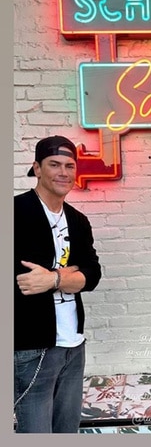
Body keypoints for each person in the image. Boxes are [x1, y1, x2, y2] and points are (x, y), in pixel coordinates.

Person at [14, 136, 102, 433]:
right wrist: (70, 275)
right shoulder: (15, 212)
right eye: (54, 165)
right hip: (31, 347)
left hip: (73, 345)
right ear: (37, 168)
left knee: (67, 430)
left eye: (69, 166)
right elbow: (22, 281)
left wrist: (52, 279)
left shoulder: (78, 220)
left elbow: (92, 274)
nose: (63, 172)